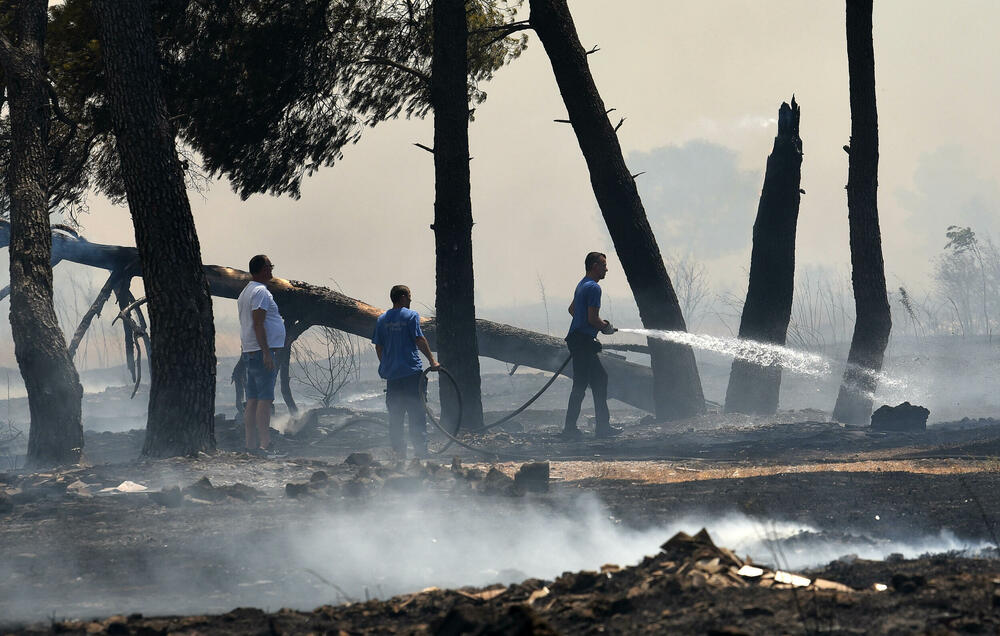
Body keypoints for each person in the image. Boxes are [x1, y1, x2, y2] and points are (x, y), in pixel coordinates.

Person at [372, 284, 439, 458]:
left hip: (393, 378)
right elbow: (419, 339)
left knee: (396, 417)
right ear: (402, 297)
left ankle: (399, 455)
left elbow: (378, 347)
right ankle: (421, 454)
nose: (410, 299)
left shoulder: (382, 320)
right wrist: (432, 361)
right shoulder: (411, 315)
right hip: (411, 374)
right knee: (417, 414)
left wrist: (386, 365)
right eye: (409, 296)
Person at [562, 252, 622, 440]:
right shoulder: (594, 288)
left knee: (597, 380)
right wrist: (606, 327)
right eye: (604, 265)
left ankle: (599, 427)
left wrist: (586, 325)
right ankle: (574, 429)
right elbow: (593, 318)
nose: (606, 269)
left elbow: (572, 310)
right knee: (583, 384)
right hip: (582, 342)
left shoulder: (582, 284)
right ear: (595, 266)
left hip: (579, 340)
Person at [237, 254, 286, 455]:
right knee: (265, 399)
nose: (272, 269)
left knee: (253, 399)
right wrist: (266, 352)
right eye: (269, 266)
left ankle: (250, 444)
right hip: (260, 352)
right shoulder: (260, 292)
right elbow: (258, 323)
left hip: (250, 351)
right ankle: (265, 444)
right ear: (263, 269)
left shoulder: (245, 292)